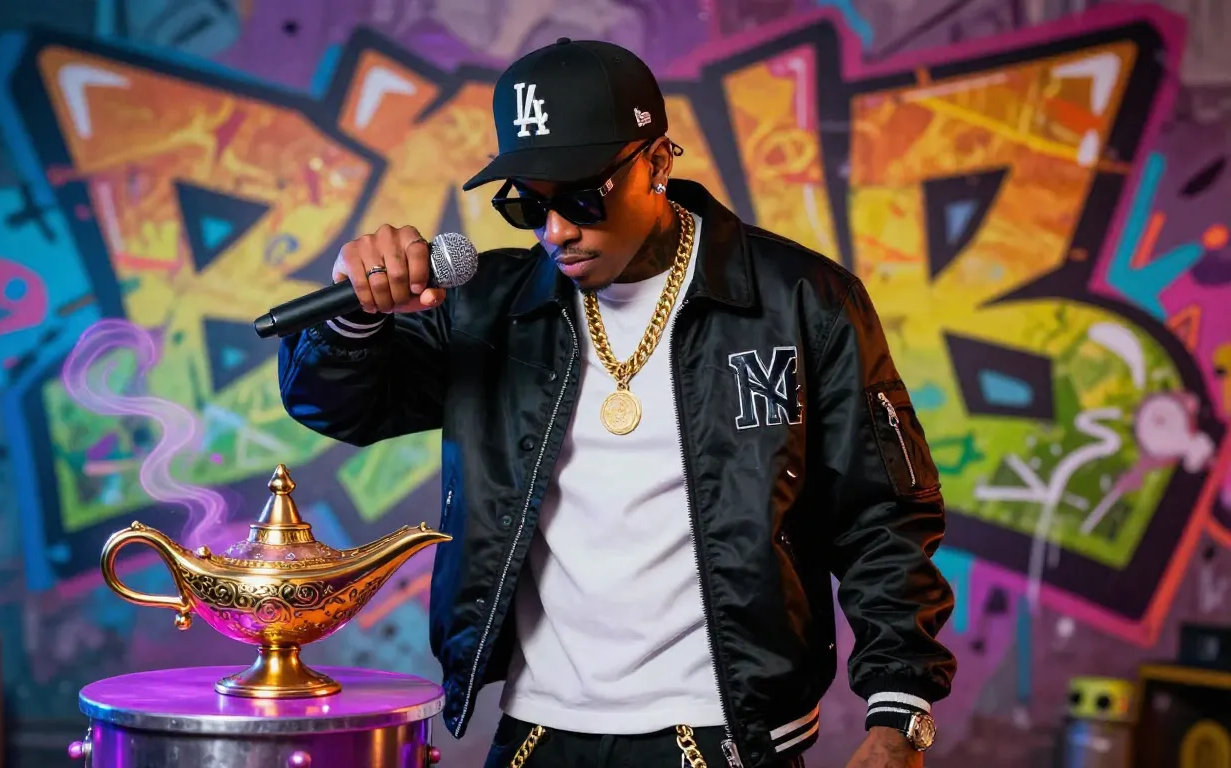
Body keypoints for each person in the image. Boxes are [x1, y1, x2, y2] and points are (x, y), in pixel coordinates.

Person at [277, 37, 955, 768]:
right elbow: (340, 408)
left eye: (580, 197)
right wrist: (354, 318)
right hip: (537, 733)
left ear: (657, 163)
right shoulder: (487, 310)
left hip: (724, 735)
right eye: (526, 204)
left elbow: (883, 515)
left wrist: (899, 712)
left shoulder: (800, 302)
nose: (555, 230)